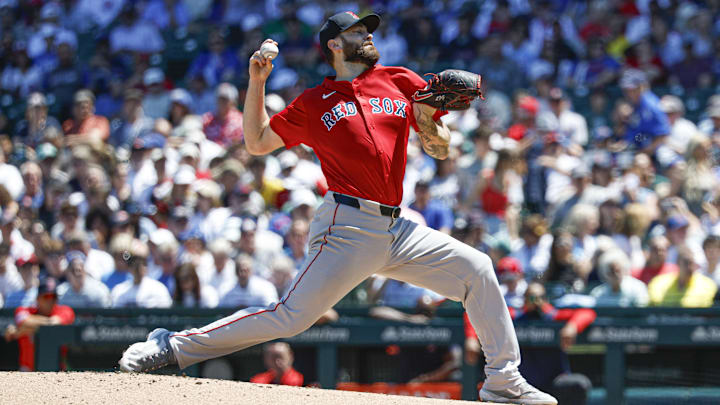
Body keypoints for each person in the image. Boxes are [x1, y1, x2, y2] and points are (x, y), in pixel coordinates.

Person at [118, 12, 556, 404]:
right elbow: (256, 143)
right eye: (357, 31)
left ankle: (502, 378)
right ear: (333, 44)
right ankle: (173, 345)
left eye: (368, 30)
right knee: (290, 318)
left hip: (396, 227)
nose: (367, 36)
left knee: (478, 268)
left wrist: (427, 121)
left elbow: (438, 148)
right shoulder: (315, 102)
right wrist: (257, 81)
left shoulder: (400, 79)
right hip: (346, 226)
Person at [465, 282, 594, 405]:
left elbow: (587, 313)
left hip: (554, 382)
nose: (537, 302)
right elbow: (478, 315)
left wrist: (573, 326)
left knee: (579, 384)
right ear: (525, 300)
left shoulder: (552, 316)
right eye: (532, 298)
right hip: (521, 385)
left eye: (541, 298)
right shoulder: (515, 316)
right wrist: (471, 338)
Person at [3, 277, 75, 371]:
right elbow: (23, 320)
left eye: (54, 297)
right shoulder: (24, 310)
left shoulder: (65, 310)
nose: (51, 301)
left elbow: (53, 323)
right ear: (37, 299)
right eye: (46, 297)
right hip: (27, 370)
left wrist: (20, 331)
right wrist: (42, 325)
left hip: (56, 370)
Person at [648, 245, 717, 307]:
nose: (690, 267)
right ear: (678, 263)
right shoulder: (658, 282)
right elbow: (656, 303)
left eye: (692, 263)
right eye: (686, 263)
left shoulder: (708, 285)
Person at [111, 239, 172, 308]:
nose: (138, 266)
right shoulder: (119, 291)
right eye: (133, 261)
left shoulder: (159, 290)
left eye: (142, 262)